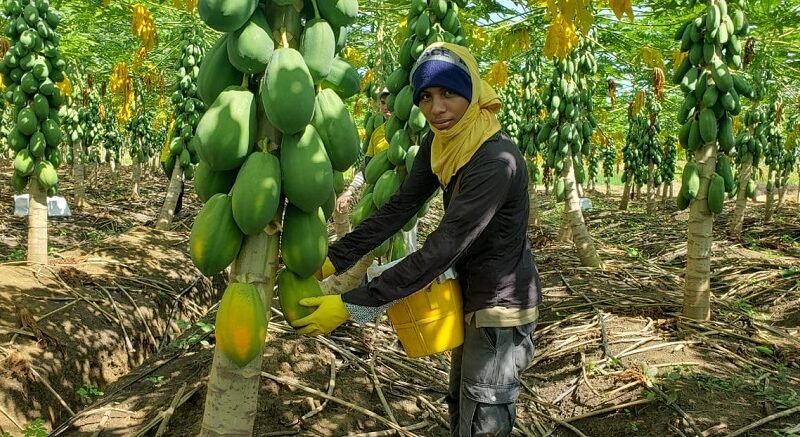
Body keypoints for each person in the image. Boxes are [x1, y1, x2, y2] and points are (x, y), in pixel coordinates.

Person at [292, 43, 541, 436]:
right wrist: (333, 258)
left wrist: (352, 306)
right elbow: (398, 209)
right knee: (462, 403)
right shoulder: (441, 144)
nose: (436, 108)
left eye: (448, 94)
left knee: (483, 416)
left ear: (473, 92)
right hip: (470, 294)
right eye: (425, 96)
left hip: (499, 308)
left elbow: (442, 248)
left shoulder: (495, 162)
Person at [335, 88, 393, 213]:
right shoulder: (377, 133)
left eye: (390, 102)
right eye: (383, 103)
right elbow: (366, 167)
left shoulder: (411, 134)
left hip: (402, 201)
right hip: (379, 196)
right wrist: (350, 191)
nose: (386, 107)